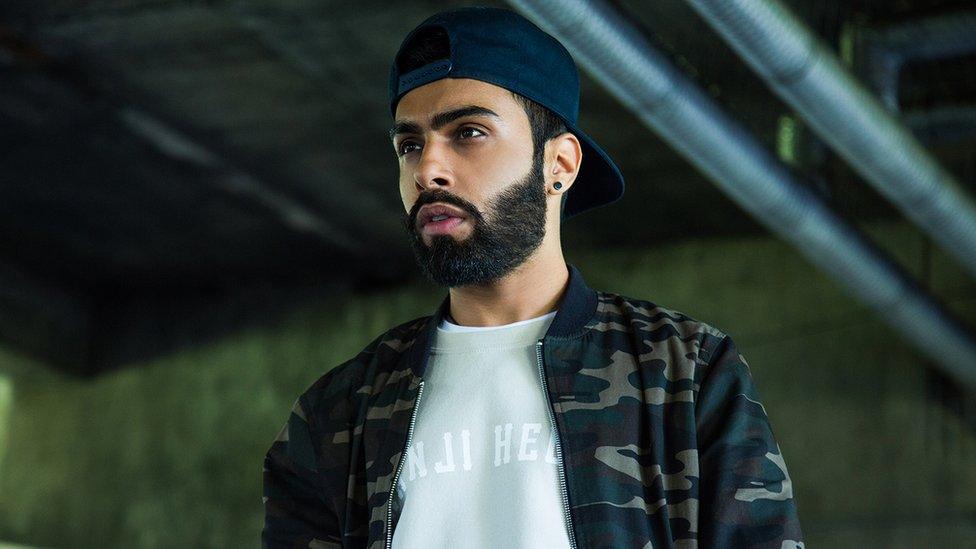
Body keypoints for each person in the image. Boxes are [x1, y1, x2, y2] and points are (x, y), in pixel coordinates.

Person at [263, 6, 803, 548]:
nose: (428, 169)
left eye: (468, 132)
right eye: (410, 145)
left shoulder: (684, 374)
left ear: (560, 166)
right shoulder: (339, 413)